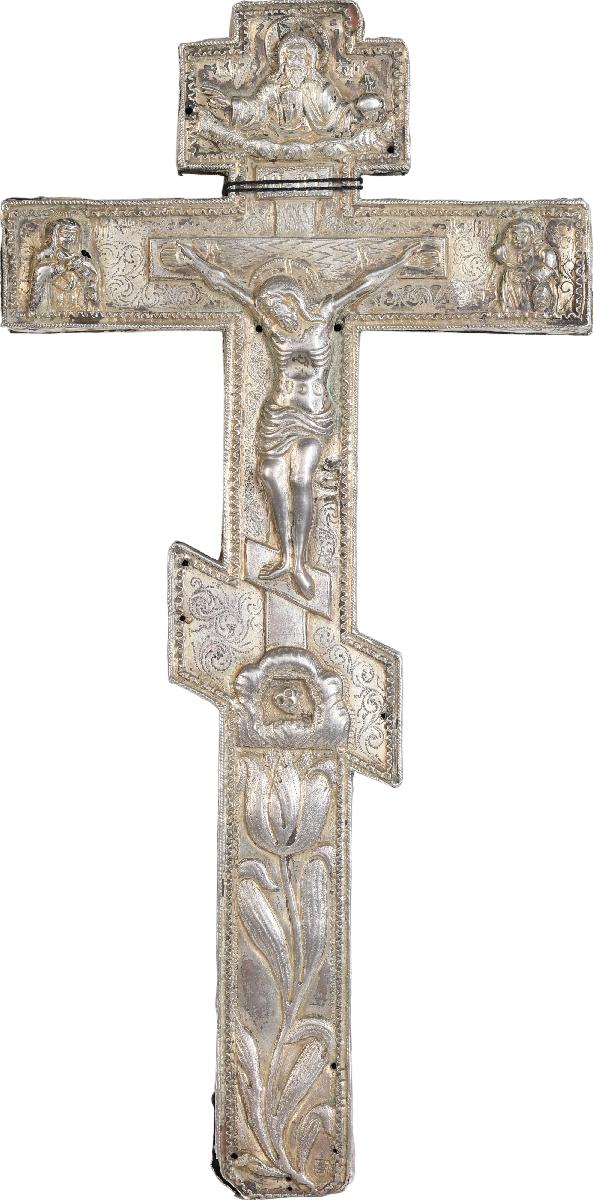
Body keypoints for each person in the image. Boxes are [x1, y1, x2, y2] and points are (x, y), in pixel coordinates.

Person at [166, 239, 437, 599]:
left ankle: (299, 564)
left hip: (312, 415)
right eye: (269, 310)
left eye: (278, 307)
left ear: (292, 301)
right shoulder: (270, 324)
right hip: (278, 413)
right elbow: (226, 284)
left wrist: (403, 260)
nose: (274, 315)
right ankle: (284, 556)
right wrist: (195, 262)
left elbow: (365, 284)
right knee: (267, 474)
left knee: (300, 477)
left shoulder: (323, 316)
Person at [29, 219, 99, 317]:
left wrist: (80, 268)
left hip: (76, 305)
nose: (69, 238)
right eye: (65, 234)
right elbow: (39, 274)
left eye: (73, 234)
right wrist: (62, 267)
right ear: (55, 235)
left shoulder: (82, 257)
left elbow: (92, 277)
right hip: (52, 302)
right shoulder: (44, 254)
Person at [492, 220, 558, 315]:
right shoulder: (509, 252)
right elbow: (500, 258)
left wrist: (527, 276)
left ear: (532, 236)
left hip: (536, 289)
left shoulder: (545, 252)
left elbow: (547, 270)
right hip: (513, 289)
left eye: (522, 235)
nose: (517, 239)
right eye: (514, 235)